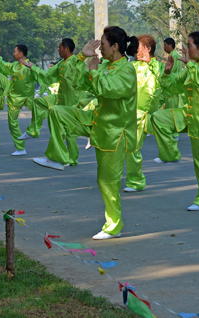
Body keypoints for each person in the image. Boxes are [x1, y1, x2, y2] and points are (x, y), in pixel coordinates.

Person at [47, 27, 138, 239]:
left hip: (115, 132)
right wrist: (81, 58)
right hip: (97, 122)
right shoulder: (105, 64)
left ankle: (113, 225)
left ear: (115, 46)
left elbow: (107, 89)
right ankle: (58, 157)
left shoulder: (127, 70)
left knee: (107, 181)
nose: (100, 47)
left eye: (103, 43)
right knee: (58, 112)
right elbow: (77, 81)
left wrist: (94, 69)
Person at [149, 31, 199, 210]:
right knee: (159, 117)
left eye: (189, 46)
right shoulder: (192, 66)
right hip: (188, 114)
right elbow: (173, 86)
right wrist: (167, 74)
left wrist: (190, 65)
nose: (186, 50)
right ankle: (171, 154)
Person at [23, 38, 86, 169]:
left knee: (69, 132)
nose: (58, 50)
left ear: (66, 49)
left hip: (73, 102)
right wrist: (33, 67)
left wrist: (83, 55)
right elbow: (48, 76)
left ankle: (68, 158)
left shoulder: (75, 61)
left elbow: (78, 72)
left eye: (60, 48)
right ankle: (33, 131)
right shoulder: (62, 63)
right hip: (60, 99)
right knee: (40, 103)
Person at [124, 35, 163, 192]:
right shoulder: (133, 66)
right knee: (126, 147)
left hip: (145, 114)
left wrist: (150, 63)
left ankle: (136, 181)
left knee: (132, 148)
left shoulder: (158, 67)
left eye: (138, 47)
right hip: (130, 113)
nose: (135, 51)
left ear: (147, 49)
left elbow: (162, 80)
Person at [0, 44, 35, 156]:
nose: (13, 53)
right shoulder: (15, 65)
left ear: (21, 53)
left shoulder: (31, 66)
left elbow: (42, 76)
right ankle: (20, 148)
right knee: (12, 123)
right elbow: (3, 66)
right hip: (15, 98)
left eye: (15, 51)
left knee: (41, 114)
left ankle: (32, 131)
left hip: (28, 96)